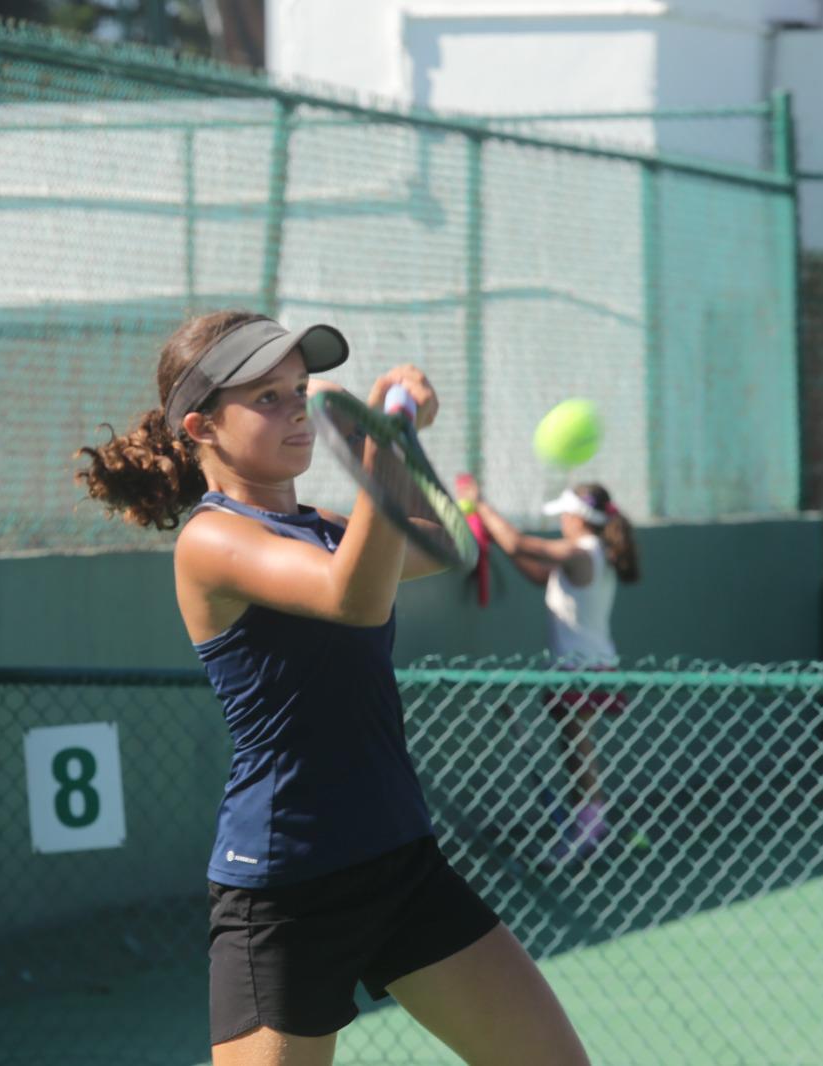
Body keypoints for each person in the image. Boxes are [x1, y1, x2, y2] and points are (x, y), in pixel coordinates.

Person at [76, 310, 589, 1066]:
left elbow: (442, 539)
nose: (296, 412)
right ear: (201, 426)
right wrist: (383, 450)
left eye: (299, 390)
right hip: (286, 892)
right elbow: (354, 597)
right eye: (267, 398)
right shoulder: (210, 541)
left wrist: (402, 438)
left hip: (401, 861)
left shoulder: (322, 521)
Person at [463, 482, 639, 863]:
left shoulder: (581, 551)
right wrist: (494, 533)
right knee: (576, 750)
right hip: (582, 667)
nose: (561, 519)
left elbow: (520, 544)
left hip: (581, 670)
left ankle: (589, 830)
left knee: (578, 751)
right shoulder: (589, 555)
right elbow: (538, 573)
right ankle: (590, 824)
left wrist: (481, 504)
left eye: (565, 513)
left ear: (578, 518)